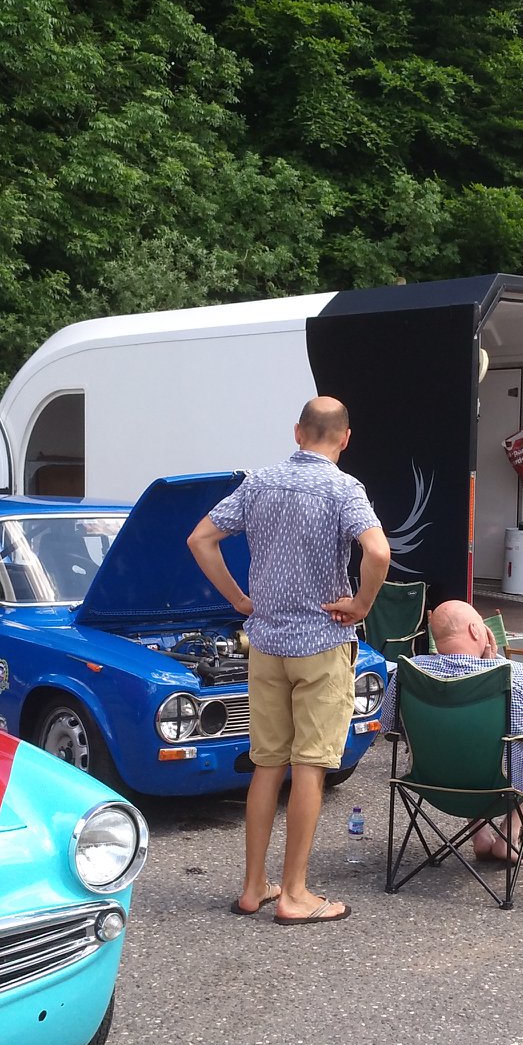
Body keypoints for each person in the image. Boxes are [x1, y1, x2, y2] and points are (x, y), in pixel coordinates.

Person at [188, 397, 390, 926]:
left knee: (266, 765)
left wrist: (238, 599)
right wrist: (361, 605)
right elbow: (378, 552)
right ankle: (294, 894)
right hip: (321, 645)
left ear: (297, 432)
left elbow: (201, 539)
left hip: (266, 645)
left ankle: (253, 886)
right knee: (310, 768)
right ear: (345, 438)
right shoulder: (344, 489)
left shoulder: (259, 483)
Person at [386, 600, 523, 861]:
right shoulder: (512, 674)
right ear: (475, 630)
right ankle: (509, 835)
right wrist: (492, 664)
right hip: (503, 787)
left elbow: (390, 726)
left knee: (458, 742)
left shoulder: (408, 672)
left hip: (432, 783)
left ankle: (479, 834)